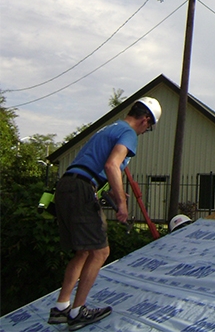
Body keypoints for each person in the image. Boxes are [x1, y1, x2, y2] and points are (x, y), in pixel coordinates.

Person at [48, 97, 161, 330]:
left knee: (83, 252)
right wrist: (121, 203)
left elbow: (95, 168)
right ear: (145, 120)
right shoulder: (128, 133)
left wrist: (112, 194)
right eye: (148, 128)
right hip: (82, 188)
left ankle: (61, 308)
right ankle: (78, 311)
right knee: (101, 251)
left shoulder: (110, 128)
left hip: (67, 186)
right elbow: (111, 166)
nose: (144, 132)